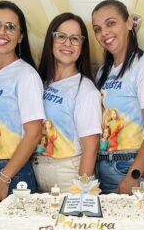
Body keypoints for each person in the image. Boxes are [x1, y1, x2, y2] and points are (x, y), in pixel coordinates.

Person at [0, 1, 44, 210]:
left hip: (10, 172)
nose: (1, 32)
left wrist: (4, 179)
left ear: (20, 36)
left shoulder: (26, 76)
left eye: (10, 27)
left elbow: (33, 134)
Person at [92, 0, 144, 194]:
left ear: (128, 23)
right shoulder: (103, 72)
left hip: (131, 168)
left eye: (111, 23)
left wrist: (133, 175)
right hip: (103, 165)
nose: (104, 33)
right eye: (97, 29)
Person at [33, 13, 102, 191]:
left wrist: (82, 193)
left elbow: (91, 147)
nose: (68, 44)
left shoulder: (85, 90)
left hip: (67, 174)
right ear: (51, 40)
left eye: (75, 39)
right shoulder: (41, 82)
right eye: (61, 36)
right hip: (36, 169)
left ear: (82, 46)